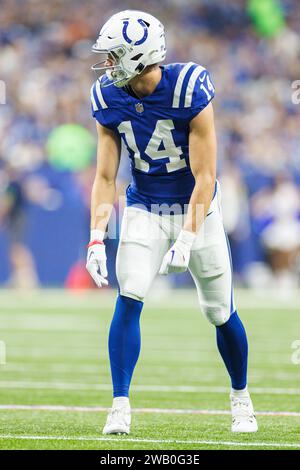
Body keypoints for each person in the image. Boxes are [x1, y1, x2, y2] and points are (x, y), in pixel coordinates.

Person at [86, 10, 258, 435]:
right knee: (131, 293)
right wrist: (94, 238)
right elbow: (105, 177)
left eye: (115, 57)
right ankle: (120, 406)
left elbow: (206, 176)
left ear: (139, 56)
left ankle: (241, 399)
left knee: (219, 309)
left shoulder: (189, 87)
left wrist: (187, 237)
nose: (108, 65)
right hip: (145, 206)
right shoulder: (108, 97)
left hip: (198, 208)